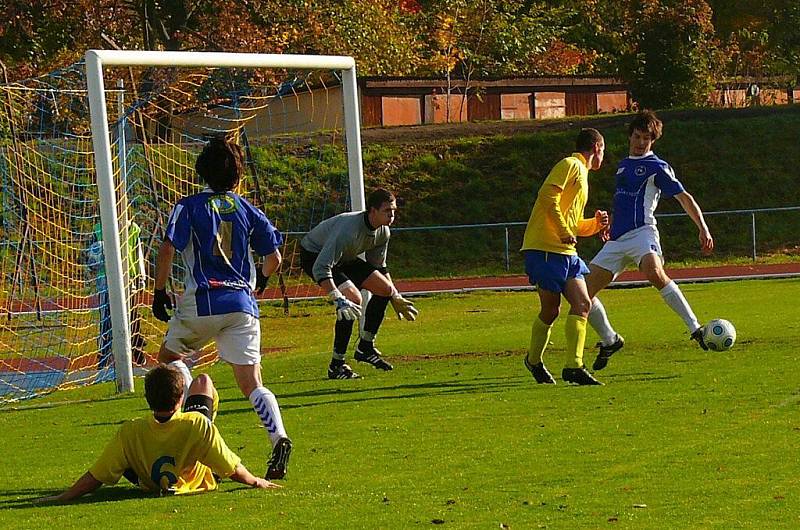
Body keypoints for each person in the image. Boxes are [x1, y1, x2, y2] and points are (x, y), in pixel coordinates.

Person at [150, 137, 292, 480]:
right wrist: (258, 281)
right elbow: (274, 258)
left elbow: (168, 249)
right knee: (252, 382)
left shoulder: (189, 206)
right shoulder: (247, 209)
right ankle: (279, 438)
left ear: (202, 171)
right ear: (237, 175)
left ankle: (194, 419)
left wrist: (158, 291)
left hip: (202, 301)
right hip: (242, 305)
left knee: (169, 360)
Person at [35, 365, 280, 503]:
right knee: (204, 381)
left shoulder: (130, 430)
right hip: (196, 476)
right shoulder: (196, 424)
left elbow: (95, 476)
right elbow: (233, 469)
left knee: (122, 458)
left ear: (147, 399)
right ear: (181, 399)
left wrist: (64, 496)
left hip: (150, 478)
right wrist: (256, 480)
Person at [586, 110, 714, 372]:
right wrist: (608, 224)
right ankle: (610, 340)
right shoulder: (622, 164)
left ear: (653, 140)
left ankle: (695, 328)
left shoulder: (657, 166)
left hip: (643, 233)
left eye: (646, 138)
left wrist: (702, 228)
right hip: (617, 240)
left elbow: (684, 197)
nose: (640, 142)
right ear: (630, 136)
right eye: (637, 136)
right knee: (581, 295)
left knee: (654, 271)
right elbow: (623, 200)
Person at [520, 128, 609, 385]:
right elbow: (547, 197)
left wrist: (595, 225)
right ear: (597, 148)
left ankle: (574, 366)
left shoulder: (583, 175)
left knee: (583, 303)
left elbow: (572, 224)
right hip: (545, 249)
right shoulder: (570, 164)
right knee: (551, 310)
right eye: (603, 151)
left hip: (566, 252)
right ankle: (533, 361)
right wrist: (561, 231)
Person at [300, 188, 419, 380]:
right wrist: (336, 297)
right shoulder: (348, 231)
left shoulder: (383, 233)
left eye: (394, 210)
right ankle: (337, 365)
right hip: (314, 256)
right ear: (372, 211)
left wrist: (395, 295)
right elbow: (321, 267)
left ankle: (365, 347)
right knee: (352, 299)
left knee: (385, 289)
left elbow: (378, 267)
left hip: (344, 258)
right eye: (387, 211)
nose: (392, 215)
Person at [87, 219, 147, 367]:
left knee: (132, 317)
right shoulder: (98, 228)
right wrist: (92, 264)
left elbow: (137, 254)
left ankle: (137, 351)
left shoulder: (133, 228)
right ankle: (104, 355)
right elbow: (92, 254)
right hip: (105, 280)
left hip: (128, 279)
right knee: (106, 318)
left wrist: (141, 277)